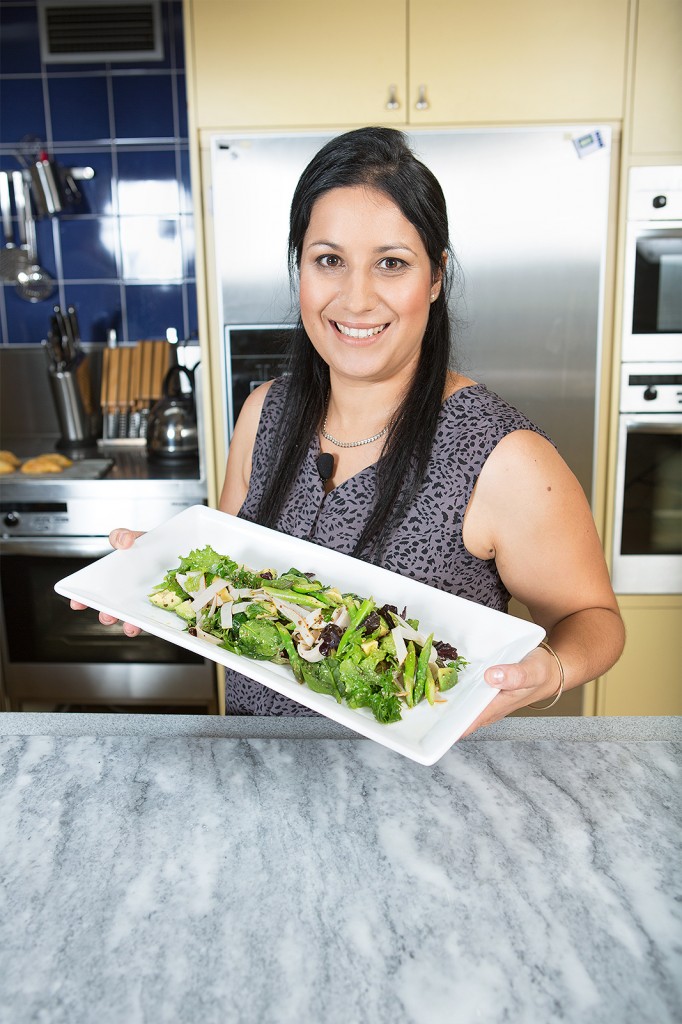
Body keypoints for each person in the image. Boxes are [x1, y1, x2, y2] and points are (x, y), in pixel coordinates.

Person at [73, 127, 624, 731]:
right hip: (259, 770)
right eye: (329, 261)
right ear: (300, 269)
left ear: (435, 278)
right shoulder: (266, 415)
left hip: (420, 801)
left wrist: (550, 669)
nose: (356, 299)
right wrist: (162, 579)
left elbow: (594, 617)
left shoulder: (503, 457)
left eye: (391, 263)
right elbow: (231, 586)